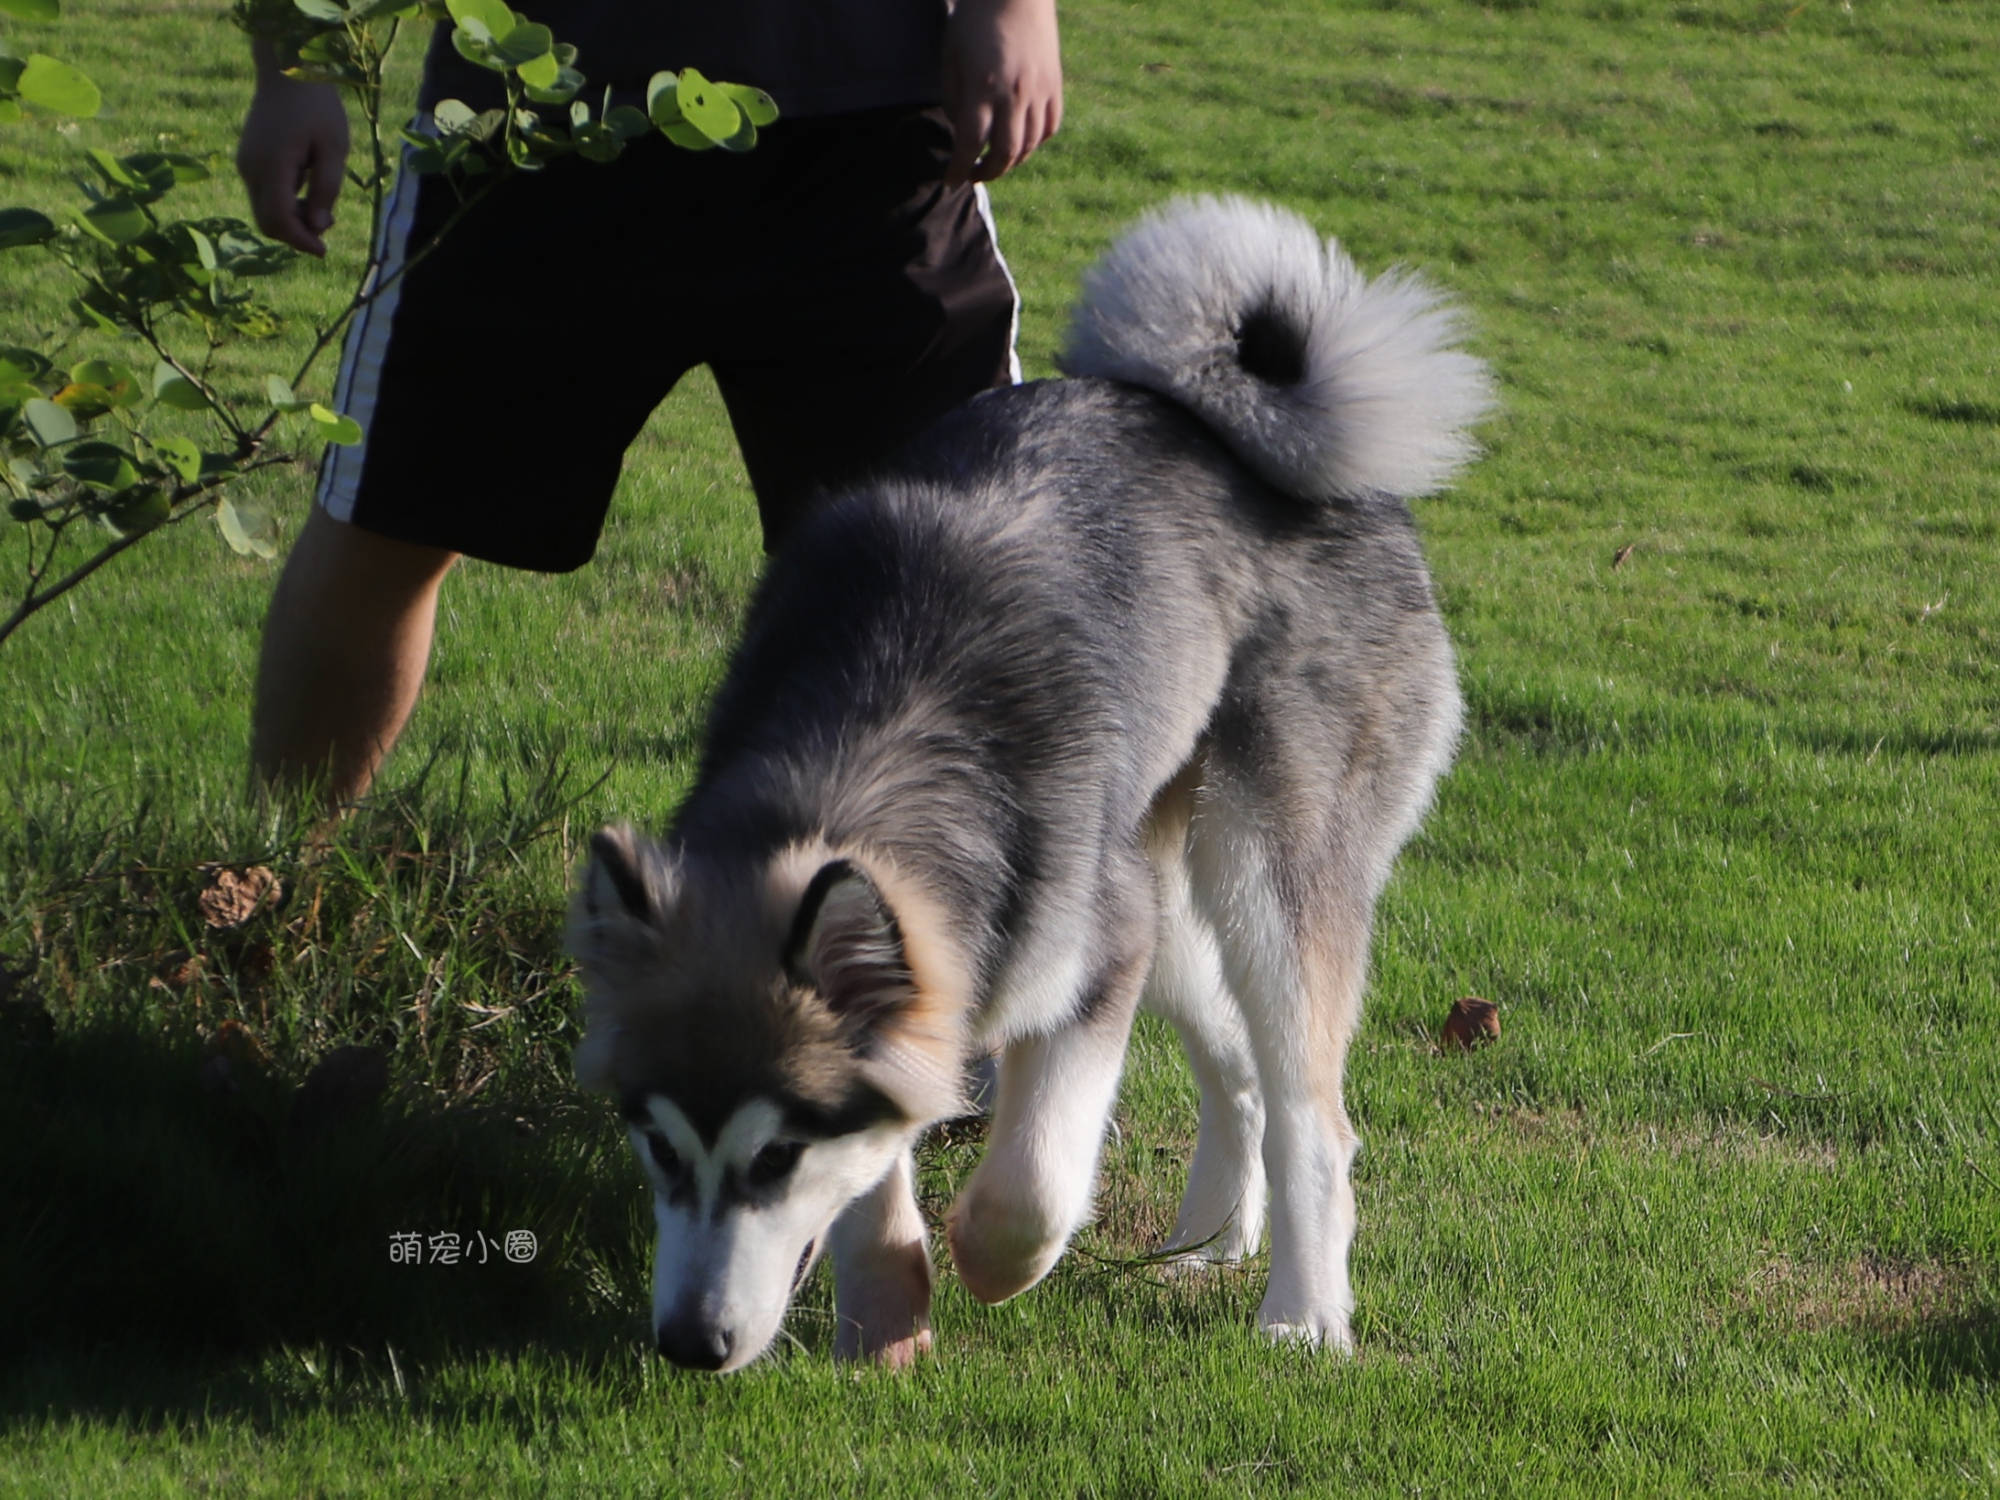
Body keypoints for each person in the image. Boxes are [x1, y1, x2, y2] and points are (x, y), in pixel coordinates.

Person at [236, 1, 1062, 805]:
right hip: (535, 109)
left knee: (954, 561)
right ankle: (272, 886)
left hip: (867, 119)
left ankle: (954, 933)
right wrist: (294, 66)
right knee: (386, 523)